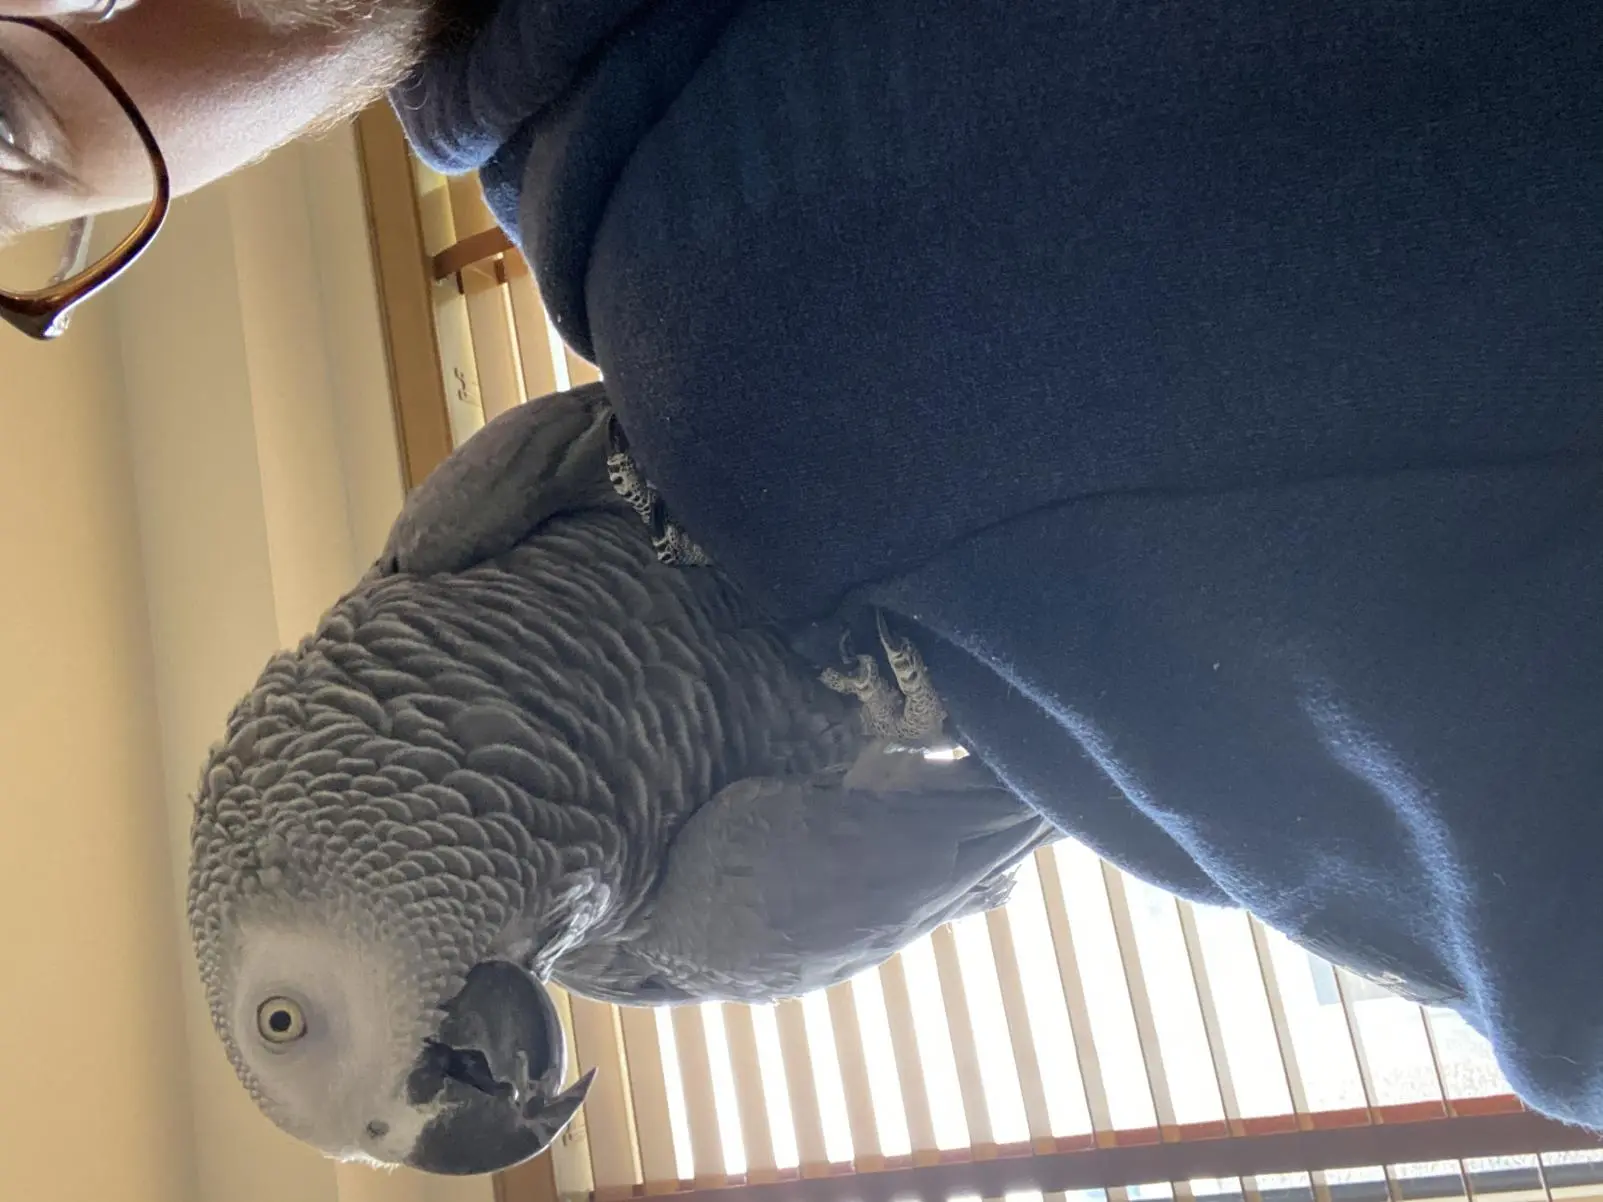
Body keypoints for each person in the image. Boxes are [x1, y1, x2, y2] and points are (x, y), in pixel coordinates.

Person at [6, 0, 1601, 1131]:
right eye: (9, 127)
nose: (399, 1110)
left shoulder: (673, 330)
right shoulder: (694, 897)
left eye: (295, 1020)